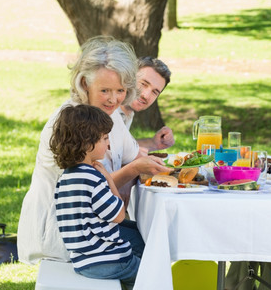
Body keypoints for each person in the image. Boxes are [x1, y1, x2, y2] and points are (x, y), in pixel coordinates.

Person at [17, 36, 170, 264]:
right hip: (65, 235)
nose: (113, 99)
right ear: (85, 83)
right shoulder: (71, 122)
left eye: (120, 90)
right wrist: (134, 169)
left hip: (92, 226)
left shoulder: (109, 115)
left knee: (157, 239)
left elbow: (135, 154)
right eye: (105, 90)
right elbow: (87, 192)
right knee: (153, 251)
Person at [51, 104, 140, 289]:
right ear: (86, 142)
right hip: (108, 261)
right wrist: (108, 179)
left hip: (83, 262)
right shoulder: (92, 177)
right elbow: (119, 215)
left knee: (136, 235)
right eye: (104, 138)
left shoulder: (66, 177)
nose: (108, 144)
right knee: (151, 273)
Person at [118, 56, 175, 153]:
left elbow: (121, 148)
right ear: (129, 78)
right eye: (143, 84)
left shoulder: (127, 112)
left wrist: (154, 143)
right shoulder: (108, 111)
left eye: (155, 92)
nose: (146, 95)